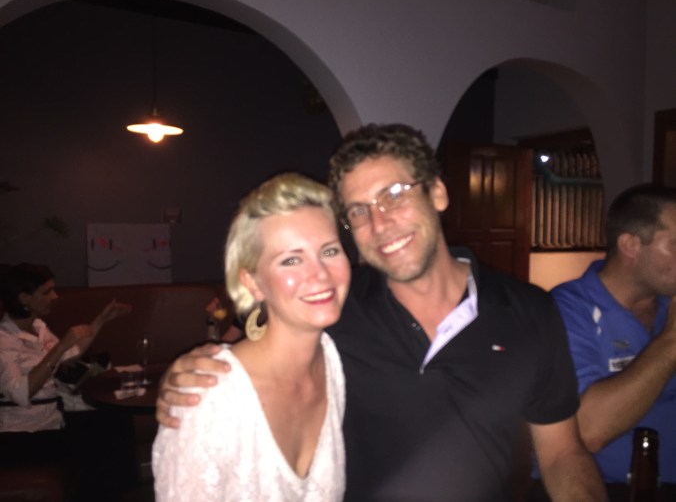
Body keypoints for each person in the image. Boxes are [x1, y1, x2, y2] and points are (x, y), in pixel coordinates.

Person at [156, 124, 606, 501]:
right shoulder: (335, 308)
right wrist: (190, 373)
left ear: (438, 192)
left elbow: (562, 454)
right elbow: (261, 350)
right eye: (359, 210)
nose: (379, 222)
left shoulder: (529, 311)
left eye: (394, 194)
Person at [152, 173, 350, 501]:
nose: (320, 274)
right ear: (253, 283)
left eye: (329, 251)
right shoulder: (210, 397)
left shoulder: (333, 362)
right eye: (291, 259)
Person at [544, 183, 676, 500]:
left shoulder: (667, 304)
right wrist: (671, 341)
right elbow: (588, 431)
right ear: (630, 245)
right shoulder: (565, 310)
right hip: (606, 490)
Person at [0, 263, 130, 437]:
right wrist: (61, 346)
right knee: (113, 433)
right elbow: (20, 393)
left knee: (120, 420)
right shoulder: (4, 339)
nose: (54, 296)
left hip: (53, 420)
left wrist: (101, 320)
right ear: (24, 298)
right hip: (22, 431)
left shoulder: (38, 327)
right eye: (46, 292)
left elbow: (69, 355)